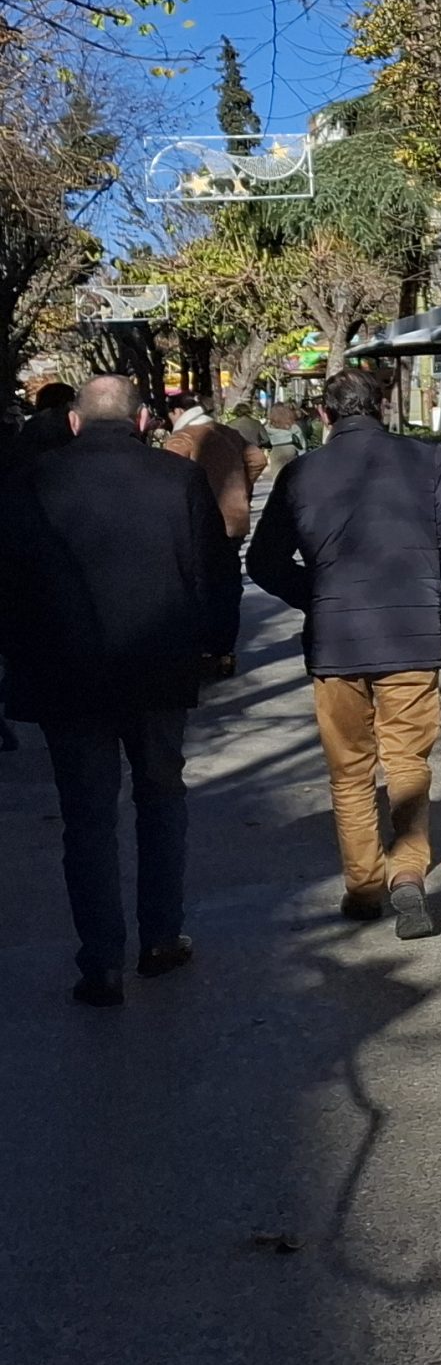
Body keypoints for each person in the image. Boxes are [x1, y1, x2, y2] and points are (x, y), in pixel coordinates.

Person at [0, 373, 240, 1004]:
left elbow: (10, 587)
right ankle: (161, 938)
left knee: (86, 818)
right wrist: (216, 644)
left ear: (75, 421)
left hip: (66, 676)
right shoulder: (178, 479)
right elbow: (215, 570)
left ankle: (100, 962)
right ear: (141, 422)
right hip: (159, 670)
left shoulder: (31, 482)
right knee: (161, 799)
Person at [246, 368, 441, 940]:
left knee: (349, 771)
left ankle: (364, 887)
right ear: (380, 406)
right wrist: (432, 589)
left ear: (324, 415)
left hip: (335, 643)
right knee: (408, 760)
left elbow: (263, 562)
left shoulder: (301, 472)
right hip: (409, 635)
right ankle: (408, 874)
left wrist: (318, 597)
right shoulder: (426, 460)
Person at [162, 390, 266, 542]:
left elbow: (170, 476)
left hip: (200, 519)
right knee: (230, 562)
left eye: (170, 414)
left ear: (178, 411)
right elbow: (258, 459)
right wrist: (241, 486)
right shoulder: (228, 432)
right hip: (235, 517)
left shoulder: (181, 438)